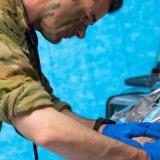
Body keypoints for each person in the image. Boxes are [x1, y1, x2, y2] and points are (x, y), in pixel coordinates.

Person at [0, 0, 160, 159]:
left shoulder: (16, 27)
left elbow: (39, 103)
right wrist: (140, 157)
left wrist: (101, 128)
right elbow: (42, 126)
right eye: (85, 17)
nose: (81, 34)